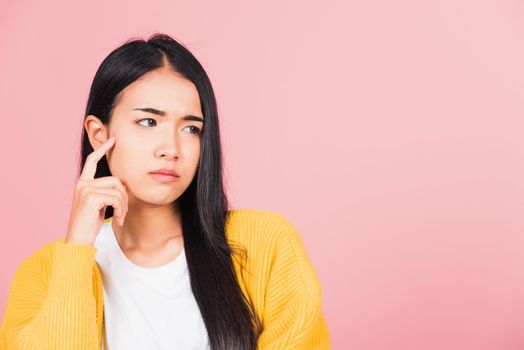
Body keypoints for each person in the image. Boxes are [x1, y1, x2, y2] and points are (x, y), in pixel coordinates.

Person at [0, 33, 330, 349]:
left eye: (190, 128)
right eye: (148, 122)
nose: (171, 148)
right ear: (99, 135)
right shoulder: (42, 273)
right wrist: (75, 253)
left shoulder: (265, 245)